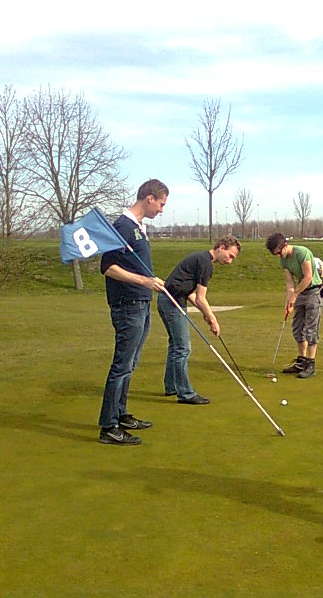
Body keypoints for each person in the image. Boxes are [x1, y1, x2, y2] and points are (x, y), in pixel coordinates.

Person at [98, 179, 169, 446]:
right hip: (127, 304)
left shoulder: (138, 228)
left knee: (131, 363)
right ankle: (108, 426)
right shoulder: (123, 226)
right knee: (121, 365)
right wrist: (144, 281)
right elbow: (108, 267)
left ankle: (120, 413)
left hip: (141, 303)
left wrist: (150, 283)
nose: (161, 210)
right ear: (149, 198)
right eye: (161, 204)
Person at [158, 235, 242, 405]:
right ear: (221, 247)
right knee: (183, 348)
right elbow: (200, 298)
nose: (229, 261)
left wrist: (205, 313)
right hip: (171, 302)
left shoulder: (201, 258)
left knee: (176, 345)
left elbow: (188, 291)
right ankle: (185, 393)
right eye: (230, 256)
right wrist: (213, 320)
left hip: (168, 299)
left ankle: (171, 386)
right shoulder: (205, 263)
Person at [265, 233, 323, 379]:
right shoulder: (283, 260)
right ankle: (301, 361)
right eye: (276, 254)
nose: (279, 256)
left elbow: (308, 277)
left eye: (279, 252)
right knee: (297, 328)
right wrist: (289, 300)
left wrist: (295, 294)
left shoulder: (301, 252)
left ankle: (311, 364)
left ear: (285, 245)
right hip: (300, 293)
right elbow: (289, 282)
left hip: (314, 291)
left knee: (311, 329)